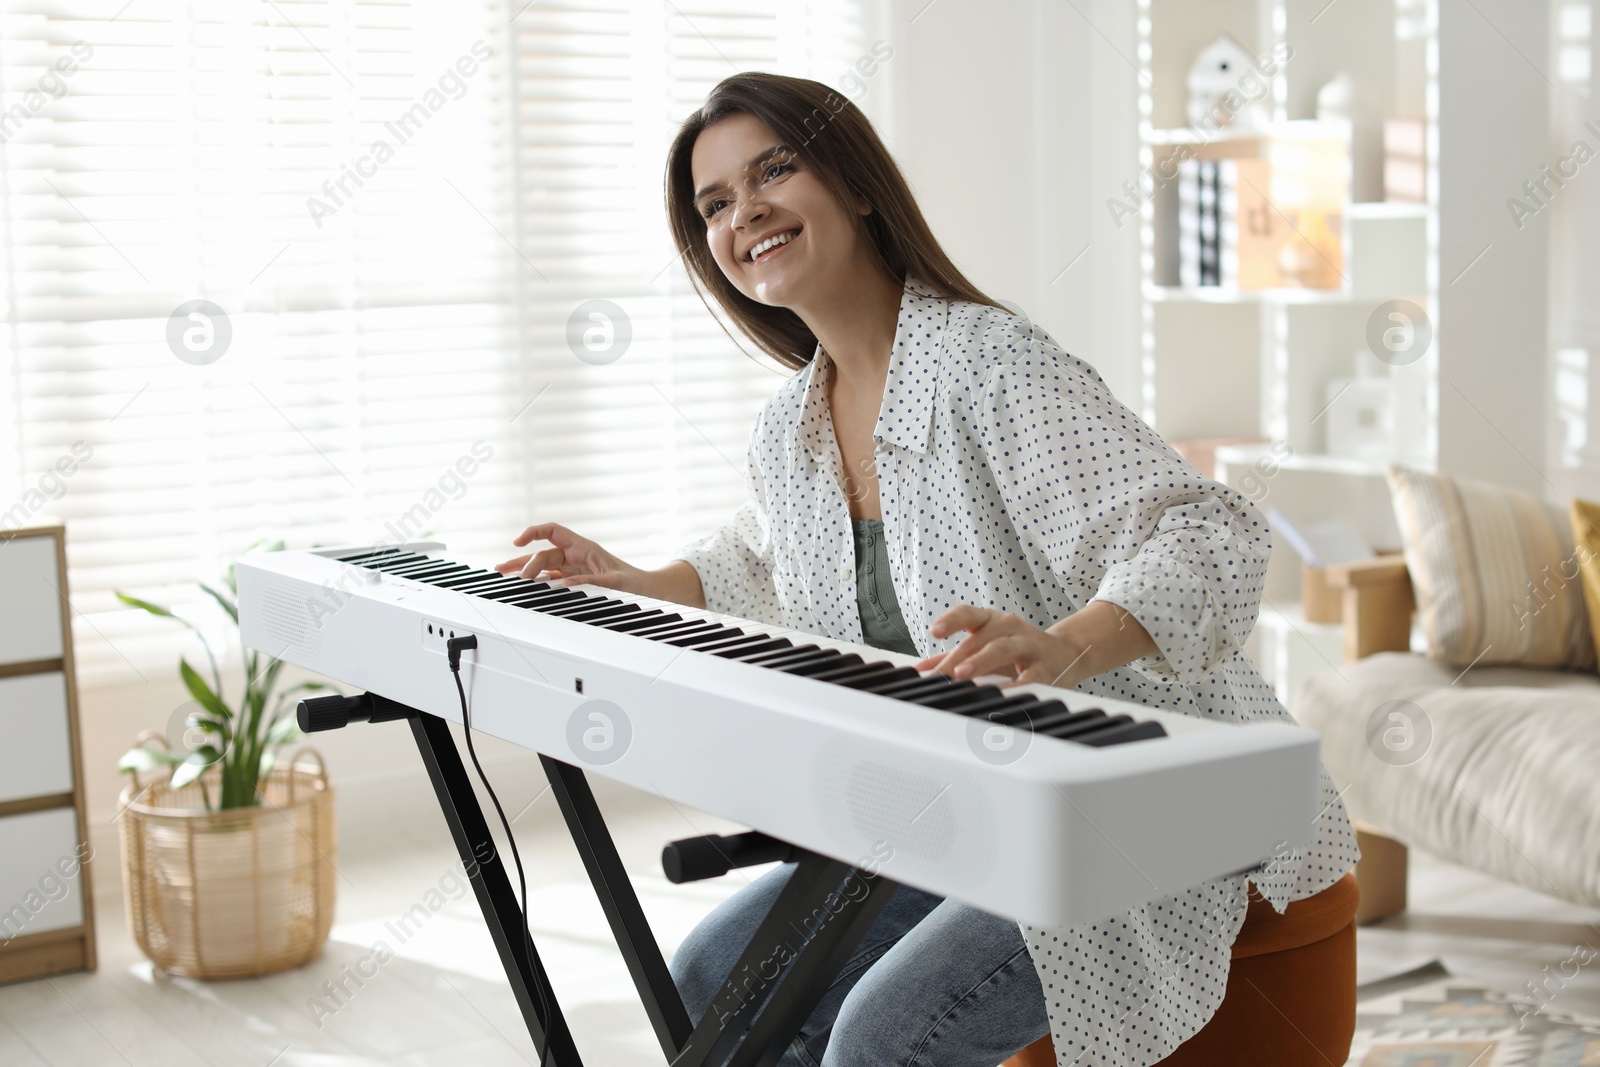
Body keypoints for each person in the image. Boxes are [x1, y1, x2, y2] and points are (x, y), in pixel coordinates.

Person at [496, 71, 1359, 1067]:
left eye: (775, 169)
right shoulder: (790, 427)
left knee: (882, 1036)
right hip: (971, 816)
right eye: (716, 201)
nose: (748, 212)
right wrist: (631, 578)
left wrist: (1066, 644)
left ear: (857, 184)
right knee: (706, 976)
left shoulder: (990, 367)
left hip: (1142, 814)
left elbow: (1208, 533)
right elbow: (762, 554)